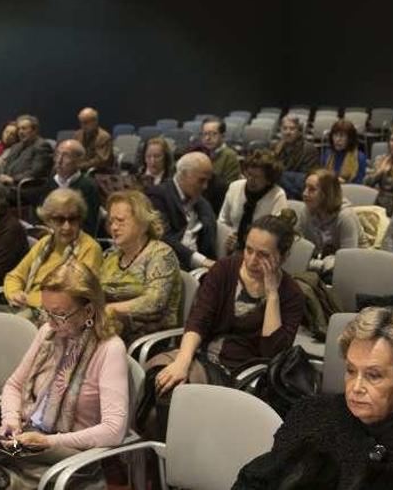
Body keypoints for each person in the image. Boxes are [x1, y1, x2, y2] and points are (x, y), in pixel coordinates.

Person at [234, 307, 393, 489]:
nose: (356, 387)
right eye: (350, 370)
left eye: (373, 375)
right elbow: (257, 481)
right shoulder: (310, 414)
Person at [0, 261, 128, 489]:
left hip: (68, 455)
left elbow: (114, 430)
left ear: (88, 310)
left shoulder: (109, 348)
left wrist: (49, 441)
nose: (51, 323)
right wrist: (11, 420)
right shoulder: (48, 333)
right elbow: (14, 385)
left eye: (61, 315)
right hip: (29, 438)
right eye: (47, 312)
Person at [153, 212, 304, 392]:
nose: (252, 261)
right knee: (157, 373)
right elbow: (198, 320)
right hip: (200, 355)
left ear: (284, 256)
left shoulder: (291, 294)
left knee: (174, 389)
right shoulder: (225, 269)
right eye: (248, 250)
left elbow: (272, 354)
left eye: (263, 255)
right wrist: (182, 362)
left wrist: (272, 295)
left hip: (241, 372)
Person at [101, 190, 182, 344]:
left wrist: (112, 309)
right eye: (111, 222)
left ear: (143, 223)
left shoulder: (161, 254)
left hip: (148, 338)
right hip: (111, 330)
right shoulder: (111, 255)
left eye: (120, 220)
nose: (114, 227)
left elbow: (154, 302)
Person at [4, 189, 103, 314]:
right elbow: (15, 276)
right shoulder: (44, 243)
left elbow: (75, 294)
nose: (67, 226)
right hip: (26, 307)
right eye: (59, 220)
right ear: (48, 221)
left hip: (58, 317)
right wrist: (14, 293)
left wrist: (30, 299)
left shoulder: (89, 248)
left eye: (73, 219)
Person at [146, 151, 218, 271]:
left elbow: (210, 244)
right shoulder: (158, 196)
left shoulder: (203, 204)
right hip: (167, 266)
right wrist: (201, 261)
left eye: (207, 181)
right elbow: (163, 238)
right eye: (201, 180)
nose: (205, 186)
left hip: (202, 270)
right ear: (183, 174)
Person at [219, 149, 288, 254]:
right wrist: (228, 236)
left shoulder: (278, 195)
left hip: (260, 252)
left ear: (269, 179)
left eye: (257, 177)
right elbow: (222, 220)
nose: (251, 179)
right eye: (249, 174)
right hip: (231, 248)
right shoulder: (235, 187)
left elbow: (276, 235)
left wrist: (245, 244)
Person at [297, 169, 362, 276]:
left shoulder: (346, 217)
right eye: (305, 187)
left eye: (312, 189)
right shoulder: (306, 211)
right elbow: (298, 247)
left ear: (327, 194)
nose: (304, 193)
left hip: (349, 272)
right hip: (318, 267)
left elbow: (348, 260)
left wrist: (312, 264)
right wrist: (318, 264)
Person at [38, 139, 101, 235]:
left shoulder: (88, 187)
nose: (59, 160)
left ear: (79, 161)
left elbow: (89, 225)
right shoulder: (49, 183)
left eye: (66, 156)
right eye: (58, 154)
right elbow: (41, 217)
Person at [0, 115, 54, 186]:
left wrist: (13, 179)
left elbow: (36, 172)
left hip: (25, 186)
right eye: (18, 129)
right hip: (8, 185)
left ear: (34, 130)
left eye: (24, 128)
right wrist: (0, 175)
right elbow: (5, 165)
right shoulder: (16, 146)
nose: (20, 132)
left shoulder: (42, 146)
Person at [274, 115, 319, 200]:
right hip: (282, 189)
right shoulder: (277, 147)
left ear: (299, 131)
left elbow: (306, 177)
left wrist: (279, 175)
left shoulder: (309, 149)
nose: (288, 132)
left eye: (292, 129)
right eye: (285, 128)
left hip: (301, 191)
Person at [321, 119, 368, 184]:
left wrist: (343, 182)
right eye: (335, 135)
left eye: (342, 136)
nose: (337, 139)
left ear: (350, 139)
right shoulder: (328, 154)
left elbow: (359, 184)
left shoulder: (359, 158)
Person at [73, 107, 115, 171]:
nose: (83, 125)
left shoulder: (103, 137)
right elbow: (73, 152)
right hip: (80, 168)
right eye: (81, 122)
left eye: (86, 122)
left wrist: (82, 166)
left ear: (95, 122)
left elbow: (101, 160)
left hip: (98, 171)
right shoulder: (78, 135)